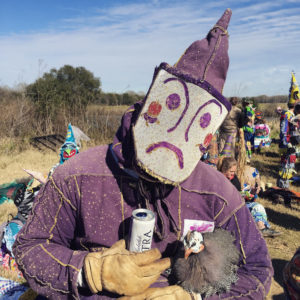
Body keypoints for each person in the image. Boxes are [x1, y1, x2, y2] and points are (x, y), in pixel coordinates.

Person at [13, 9, 273, 300]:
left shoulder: (217, 194)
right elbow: (30, 246)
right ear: (149, 107)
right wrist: (89, 271)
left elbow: (259, 271)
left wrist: (193, 298)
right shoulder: (77, 176)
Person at [217, 157, 281, 237]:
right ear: (224, 169)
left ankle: (262, 228)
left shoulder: (234, 178)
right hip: (226, 208)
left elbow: (239, 192)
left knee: (257, 207)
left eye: (234, 171)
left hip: (238, 204)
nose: (233, 173)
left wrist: (249, 194)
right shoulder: (218, 179)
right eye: (231, 171)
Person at [278, 73, 300, 188]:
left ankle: (286, 188)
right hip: (288, 145)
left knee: (290, 166)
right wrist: (286, 144)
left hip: (294, 145)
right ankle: (281, 189)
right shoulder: (286, 115)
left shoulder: (295, 116)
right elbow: (283, 131)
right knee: (285, 167)